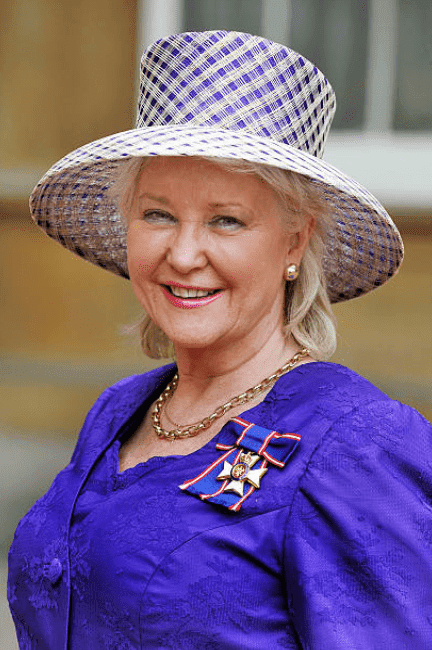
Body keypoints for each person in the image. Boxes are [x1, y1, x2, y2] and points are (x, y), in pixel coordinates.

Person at [7, 30, 432, 650]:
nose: (182, 254)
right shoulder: (118, 411)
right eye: (158, 214)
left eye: (226, 221)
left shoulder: (359, 446)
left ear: (294, 241)